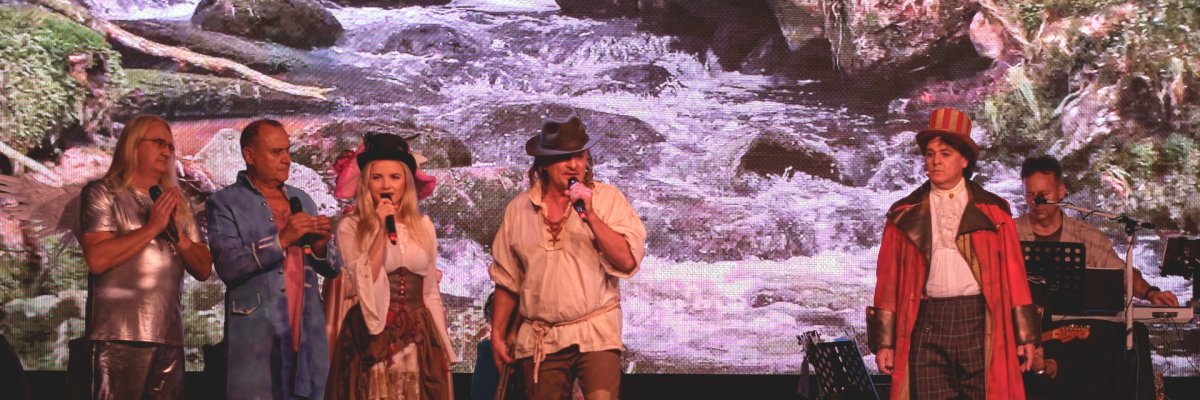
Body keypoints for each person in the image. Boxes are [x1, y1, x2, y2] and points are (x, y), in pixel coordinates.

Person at [868, 108, 1040, 399]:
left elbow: (1015, 277)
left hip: (978, 322)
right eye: (930, 154)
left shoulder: (994, 212)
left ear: (964, 160)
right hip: (927, 322)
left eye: (945, 154)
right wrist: (885, 342)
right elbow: (888, 282)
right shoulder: (902, 214)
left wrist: (1026, 337)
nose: (935, 161)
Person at [490, 115, 646, 400]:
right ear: (544, 164)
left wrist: (590, 217)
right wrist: (497, 334)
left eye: (579, 155)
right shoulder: (518, 210)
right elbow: (508, 279)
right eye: (563, 157)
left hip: (596, 332)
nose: (574, 164)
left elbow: (626, 261)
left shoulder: (607, 199)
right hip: (542, 338)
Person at [1016, 155, 1175, 400]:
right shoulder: (1010, 233)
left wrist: (1151, 292)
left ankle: (1048, 367)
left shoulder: (1086, 235)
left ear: (1060, 191)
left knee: (1133, 334)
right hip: (1024, 326)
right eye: (1030, 195)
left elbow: (1121, 273)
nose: (1037, 202)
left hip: (1073, 327)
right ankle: (1044, 366)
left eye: (1043, 194)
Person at [77, 115, 213, 399]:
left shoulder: (178, 203)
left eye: (170, 146)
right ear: (132, 146)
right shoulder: (103, 193)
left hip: (168, 336)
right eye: (159, 143)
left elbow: (203, 268)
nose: (166, 151)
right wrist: (152, 227)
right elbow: (97, 259)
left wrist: (179, 235)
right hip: (118, 336)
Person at [206, 119, 339, 399]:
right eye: (276, 152)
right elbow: (228, 266)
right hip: (257, 334)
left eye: (287, 151)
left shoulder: (303, 199)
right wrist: (281, 240)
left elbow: (333, 268)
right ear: (250, 156)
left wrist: (321, 247)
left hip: (307, 331)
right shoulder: (224, 203)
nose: (286, 159)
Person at [325, 133, 456, 399]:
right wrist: (381, 234)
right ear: (367, 183)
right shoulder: (351, 227)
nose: (386, 185)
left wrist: (444, 346)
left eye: (394, 177)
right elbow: (363, 280)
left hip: (418, 339)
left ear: (405, 182)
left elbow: (430, 293)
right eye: (377, 177)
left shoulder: (423, 227)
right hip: (371, 338)